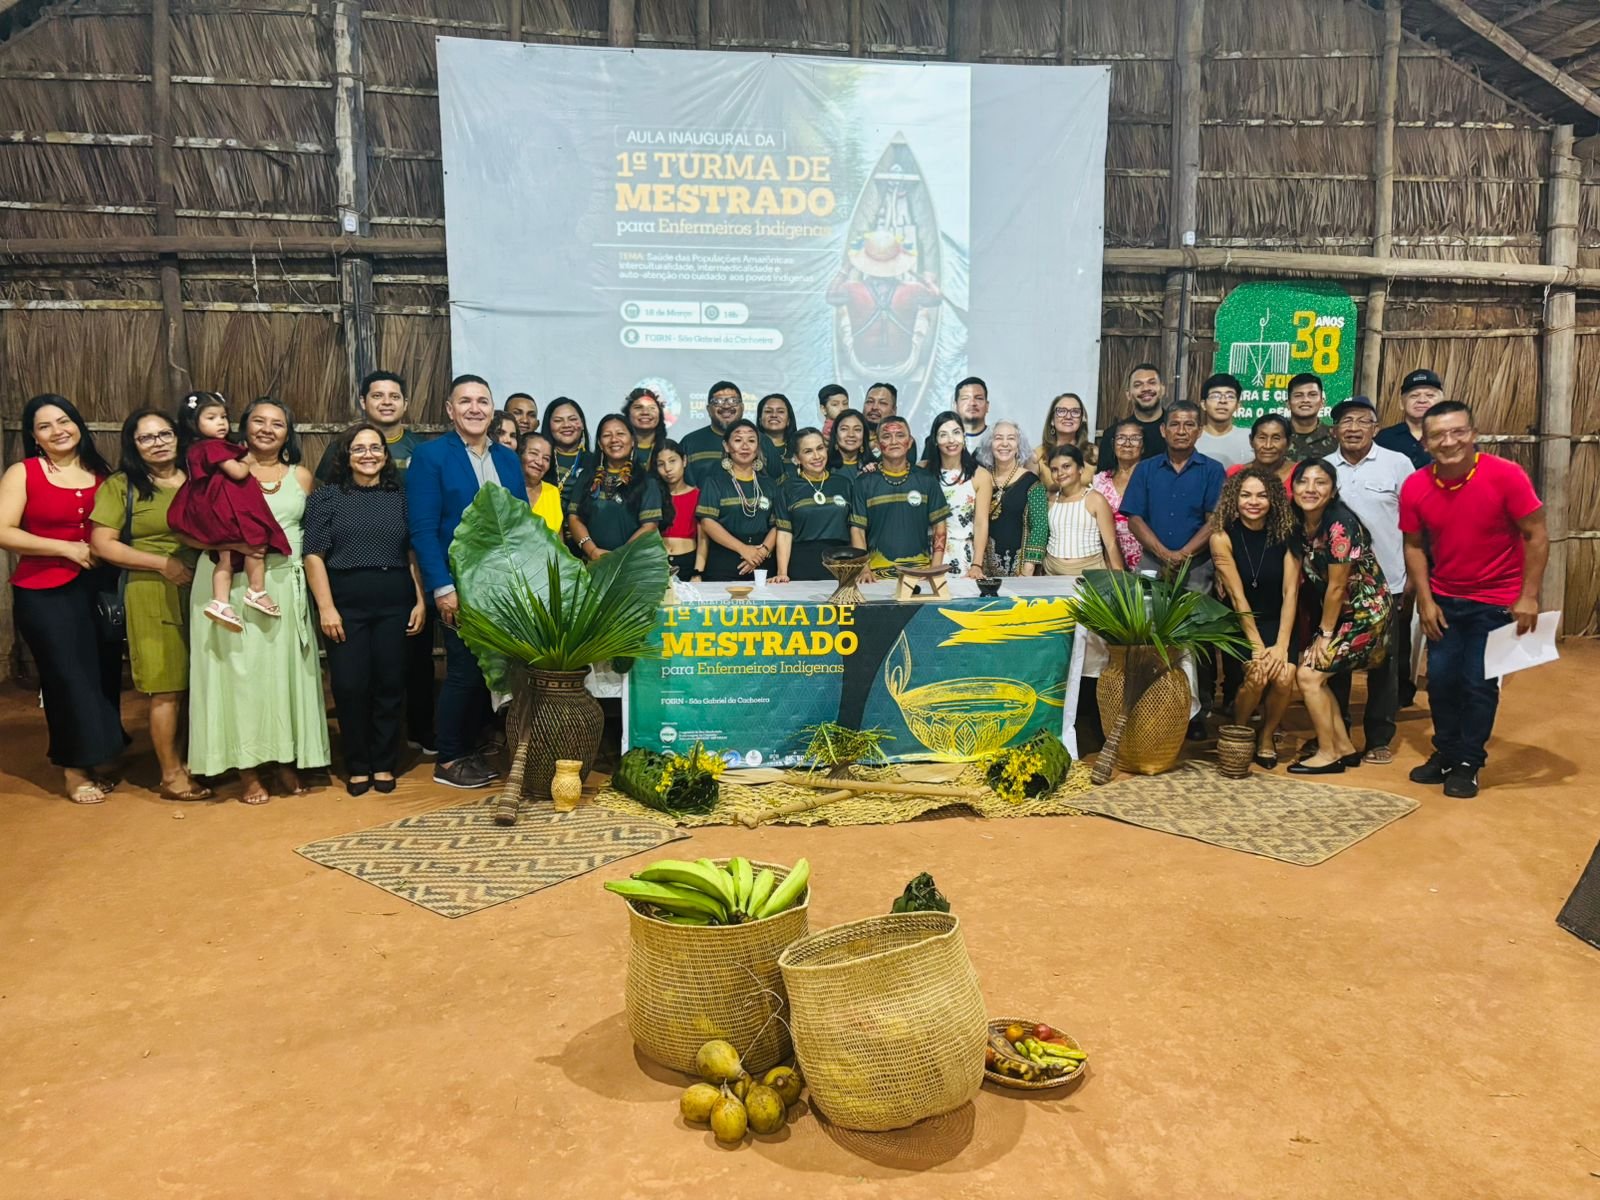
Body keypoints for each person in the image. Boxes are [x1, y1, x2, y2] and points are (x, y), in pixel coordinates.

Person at [186, 398, 330, 804]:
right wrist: (231, 545)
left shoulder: (301, 476)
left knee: (282, 676)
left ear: (288, 433)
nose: (267, 429)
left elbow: (311, 533)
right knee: (237, 677)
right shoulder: (219, 468)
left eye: (277, 423)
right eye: (259, 421)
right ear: (243, 426)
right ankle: (247, 768)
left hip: (282, 585)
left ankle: (285, 759)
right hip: (229, 586)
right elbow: (189, 522)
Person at [1400, 401, 1546, 798]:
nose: (1449, 442)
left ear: (1473, 434)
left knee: (1478, 683)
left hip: (1496, 601)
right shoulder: (1415, 486)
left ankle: (1468, 761)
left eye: (1457, 432)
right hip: (1445, 598)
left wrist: (1529, 596)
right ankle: (1446, 752)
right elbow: (1413, 545)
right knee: (1440, 681)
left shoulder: (1506, 475)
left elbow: (1536, 534)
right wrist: (1426, 600)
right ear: (1425, 443)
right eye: (1438, 435)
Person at [0, 394, 125, 804]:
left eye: (64, 421)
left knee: (103, 671)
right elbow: (3, 531)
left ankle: (101, 750)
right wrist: (65, 548)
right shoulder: (24, 473)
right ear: (34, 436)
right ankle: (74, 767)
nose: (57, 431)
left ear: (78, 424)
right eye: (45, 426)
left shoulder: (101, 473)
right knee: (66, 676)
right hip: (44, 591)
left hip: (99, 588)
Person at [407, 373, 529, 790]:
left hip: (504, 586)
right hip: (459, 585)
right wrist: (443, 588)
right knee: (463, 669)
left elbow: (520, 526)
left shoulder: (508, 459)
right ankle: (449, 757)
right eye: (465, 401)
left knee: (490, 671)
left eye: (482, 401)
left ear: (492, 410)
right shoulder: (431, 457)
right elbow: (423, 530)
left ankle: (470, 747)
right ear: (450, 409)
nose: (474, 408)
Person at [89, 409, 209, 802]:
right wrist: (162, 564)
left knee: (199, 681)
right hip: (152, 590)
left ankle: (194, 760)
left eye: (164, 434)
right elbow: (102, 544)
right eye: (146, 437)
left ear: (177, 436)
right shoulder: (122, 486)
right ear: (133, 445)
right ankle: (171, 774)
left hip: (203, 589)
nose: (158, 443)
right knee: (166, 686)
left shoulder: (197, 478)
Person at [304, 424, 426, 795]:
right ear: (346, 456)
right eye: (359, 448)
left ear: (386, 456)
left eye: (376, 448)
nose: (368, 455)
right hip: (345, 603)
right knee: (349, 684)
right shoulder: (326, 498)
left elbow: (412, 551)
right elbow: (313, 555)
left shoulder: (401, 497)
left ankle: (384, 763)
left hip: (395, 600)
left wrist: (420, 600)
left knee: (390, 683)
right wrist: (326, 607)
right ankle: (358, 764)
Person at [1120, 401, 1225, 736]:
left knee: (1195, 639)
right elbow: (1134, 518)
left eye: (1189, 424)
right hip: (1153, 562)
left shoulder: (1212, 470)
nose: (1182, 431)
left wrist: (1183, 554)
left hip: (1197, 565)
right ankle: (1148, 704)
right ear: (1163, 430)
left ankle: (1197, 713)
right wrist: (1163, 553)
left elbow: (1215, 520)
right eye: (1175, 424)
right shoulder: (1146, 469)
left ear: (1199, 430)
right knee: (1148, 635)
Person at [1284, 460, 1392, 776]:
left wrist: (1325, 634)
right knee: (1313, 674)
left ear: (1333, 491)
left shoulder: (1340, 524)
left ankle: (1328, 752)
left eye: (1320, 482)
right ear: (1293, 487)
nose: (1310, 489)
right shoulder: (1298, 523)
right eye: (1303, 481)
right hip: (1342, 612)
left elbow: (1337, 585)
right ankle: (1343, 747)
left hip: (1366, 612)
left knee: (1308, 676)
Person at [1323, 395, 1414, 765]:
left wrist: (1410, 576)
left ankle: (1378, 737)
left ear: (1375, 428)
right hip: (1336, 585)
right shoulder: (1325, 468)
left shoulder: (1398, 464)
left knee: (1384, 665)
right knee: (1335, 661)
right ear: (1334, 430)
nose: (1354, 427)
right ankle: (1337, 732)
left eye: (1362, 420)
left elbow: (1413, 524)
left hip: (1387, 583)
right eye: (1346, 421)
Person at [168, 391, 292, 632]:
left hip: (210, 511)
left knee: (225, 558)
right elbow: (238, 472)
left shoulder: (197, 449)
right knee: (256, 541)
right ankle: (256, 590)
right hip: (221, 511)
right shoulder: (214, 447)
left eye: (223, 417)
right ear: (193, 423)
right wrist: (246, 460)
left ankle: (220, 602)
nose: (221, 423)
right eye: (211, 418)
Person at [1209, 468, 1299, 768]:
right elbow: (1237, 597)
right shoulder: (1222, 536)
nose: (1254, 502)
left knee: (1284, 675)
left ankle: (1267, 736)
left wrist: (1282, 645)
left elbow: (1290, 593)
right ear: (1234, 498)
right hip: (1239, 621)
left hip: (1278, 618)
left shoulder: (1287, 533)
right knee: (1257, 675)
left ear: (1273, 499)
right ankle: (1240, 730)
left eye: (1262, 495)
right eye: (1246, 495)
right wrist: (1257, 646)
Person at [849, 415, 948, 572]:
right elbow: (857, 530)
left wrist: (934, 568)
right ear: (878, 444)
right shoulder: (864, 482)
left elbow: (939, 526)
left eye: (900, 435)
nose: (894, 441)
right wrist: (864, 569)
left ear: (910, 442)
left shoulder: (927, 479)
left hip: (920, 573)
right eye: (887, 436)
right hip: (875, 574)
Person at [567, 415, 664, 559]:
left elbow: (649, 526)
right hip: (592, 562)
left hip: (632, 563)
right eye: (607, 435)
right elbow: (574, 518)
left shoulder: (646, 481)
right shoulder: (586, 477)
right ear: (600, 443)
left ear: (632, 440)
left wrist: (618, 558)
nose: (614, 440)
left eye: (620, 434)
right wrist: (592, 551)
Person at [694, 419, 778, 581]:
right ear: (726, 446)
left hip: (762, 562)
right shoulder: (714, 482)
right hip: (724, 562)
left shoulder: (769, 484)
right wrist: (743, 549)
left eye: (751, 441)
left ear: (758, 447)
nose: (745, 446)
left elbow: (777, 524)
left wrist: (761, 553)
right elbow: (707, 522)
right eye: (738, 440)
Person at [314, 371, 422, 484]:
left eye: (395, 397)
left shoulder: (420, 448)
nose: (387, 402)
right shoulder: (341, 447)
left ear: (405, 404)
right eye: (377, 396)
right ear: (363, 402)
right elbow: (322, 489)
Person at [774, 428, 854, 581]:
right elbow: (784, 533)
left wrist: (859, 567)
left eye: (820, 448)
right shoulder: (787, 487)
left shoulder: (844, 484)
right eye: (808, 451)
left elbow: (854, 529)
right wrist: (782, 573)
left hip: (840, 563)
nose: (817, 456)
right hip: (802, 564)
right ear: (797, 458)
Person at [921, 410, 992, 577]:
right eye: (943, 434)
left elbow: (981, 523)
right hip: (926, 554)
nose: (951, 440)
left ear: (964, 436)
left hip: (962, 555)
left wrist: (977, 564)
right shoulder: (922, 470)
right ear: (935, 440)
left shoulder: (980, 475)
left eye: (956, 432)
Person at [1042, 447, 1124, 575]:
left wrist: (1120, 579)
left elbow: (1111, 543)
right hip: (1052, 571)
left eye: (1066, 466)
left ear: (1080, 468)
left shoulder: (1095, 499)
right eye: (1054, 469)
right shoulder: (1051, 500)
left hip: (1090, 573)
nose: (1060, 473)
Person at [983, 419, 1047, 576]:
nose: (1004, 443)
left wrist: (1029, 566)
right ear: (990, 445)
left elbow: (1040, 527)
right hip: (981, 569)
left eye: (1011, 438)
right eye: (998, 438)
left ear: (1019, 446)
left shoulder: (1032, 482)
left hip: (1020, 571)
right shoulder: (981, 479)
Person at [1090, 418, 1145, 572]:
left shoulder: (1153, 480)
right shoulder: (1099, 481)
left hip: (1149, 562)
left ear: (1143, 446)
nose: (1127, 443)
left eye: (1135, 438)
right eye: (1121, 438)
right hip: (1109, 562)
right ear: (1113, 444)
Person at [1095, 362, 1166, 465]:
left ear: (1162, 389)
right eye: (1138, 385)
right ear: (1128, 394)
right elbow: (1105, 474)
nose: (1146, 388)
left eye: (1152, 382)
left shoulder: (1177, 430)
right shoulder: (1113, 434)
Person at [682, 380, 744, 486]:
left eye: (733, 401)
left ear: (742, 407)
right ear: (708, 409)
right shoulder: (690, 443)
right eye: (718, 401)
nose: (726, 406)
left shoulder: (761, 441)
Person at [1376, 368, 1442, 468]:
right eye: (1414, 396)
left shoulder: (1451, 437)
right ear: (1401, 403)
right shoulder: (1385, 438)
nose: (1422, 400)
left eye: (1430, 395)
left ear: (1441, 402)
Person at [655, 440, 699, 580]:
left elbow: (703, 539)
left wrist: (698, 572)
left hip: (688, 561)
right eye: (661, 464)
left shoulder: (698, 495)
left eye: (672, 461)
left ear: (684, 460)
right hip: (658, 562)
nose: (667, 469)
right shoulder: (653, 496)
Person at [1227, 414, 1295, 495]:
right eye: (1262, 438)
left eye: (1276, 438)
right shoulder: (1236, 473)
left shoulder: (1299, 473)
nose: (1268, 446)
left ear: (1288, 443)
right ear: (1251, 441)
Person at [1196, 373, 1252, 468]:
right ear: (1203, 404)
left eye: (1230, 396)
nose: (1223, 401)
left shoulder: (1251, 438)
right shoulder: (1192, 437)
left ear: (1238, 405)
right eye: (1215, 396)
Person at [1035, 392, 1092, 485]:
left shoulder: (1094, 453)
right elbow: (1029, 489)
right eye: (1061, 411)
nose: (1068, 416)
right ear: (1052, 420)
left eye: (1075, 412)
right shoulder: (1037, 456)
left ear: (1081, 419)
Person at [518, 431, 563, 533]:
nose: (540, 462)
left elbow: (558, 538)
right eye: (534, 453)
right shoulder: (505, 487)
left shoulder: (553, 492)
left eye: (546, 459)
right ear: (520, 454)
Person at [543, 397, 590, 494]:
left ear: (582, 423)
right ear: (549, 425)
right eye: (558, 420)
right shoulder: (538, 460)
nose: (566, 425)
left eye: (572, 419)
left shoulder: (595, 462)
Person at [1285, 373, 1336, 460]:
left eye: (1312, 395)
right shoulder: (1277, 434)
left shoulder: (1335, 437)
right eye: (1298, 395)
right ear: (1288, 403)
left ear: (1322, 402)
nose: (1305, 400)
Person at [755, 393, 798, 483]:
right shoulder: (751, 448)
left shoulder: (798, 447)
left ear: (788, 420)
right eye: (768, 411)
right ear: (760, 419)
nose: (774, 415)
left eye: (780, 411)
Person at [625, 387, 664, 475]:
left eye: (652, 408)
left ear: (660, 414)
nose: (645, 412)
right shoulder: (618, 450)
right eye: (638, 407)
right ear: (628, 413)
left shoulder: (668, 449)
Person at [954, 376, 991, 459]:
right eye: (965, 398)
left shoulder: (999, 440)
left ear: (987, 406)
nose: (972, 403)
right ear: (955, 406)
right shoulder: (941, 441)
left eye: (979, 398)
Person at [827, 408, 871, 475]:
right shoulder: (823, 466)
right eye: (844, 429)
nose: (851, 434)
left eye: (857, 429)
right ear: (836, 434)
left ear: (864, 435)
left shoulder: (874, 467)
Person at [862, 381, 897, 452]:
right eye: (870, 401)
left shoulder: (900, 441)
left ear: (894, 410)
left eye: (882, 403)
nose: (874, 407)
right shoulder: (852, 437)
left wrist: (875, 451)